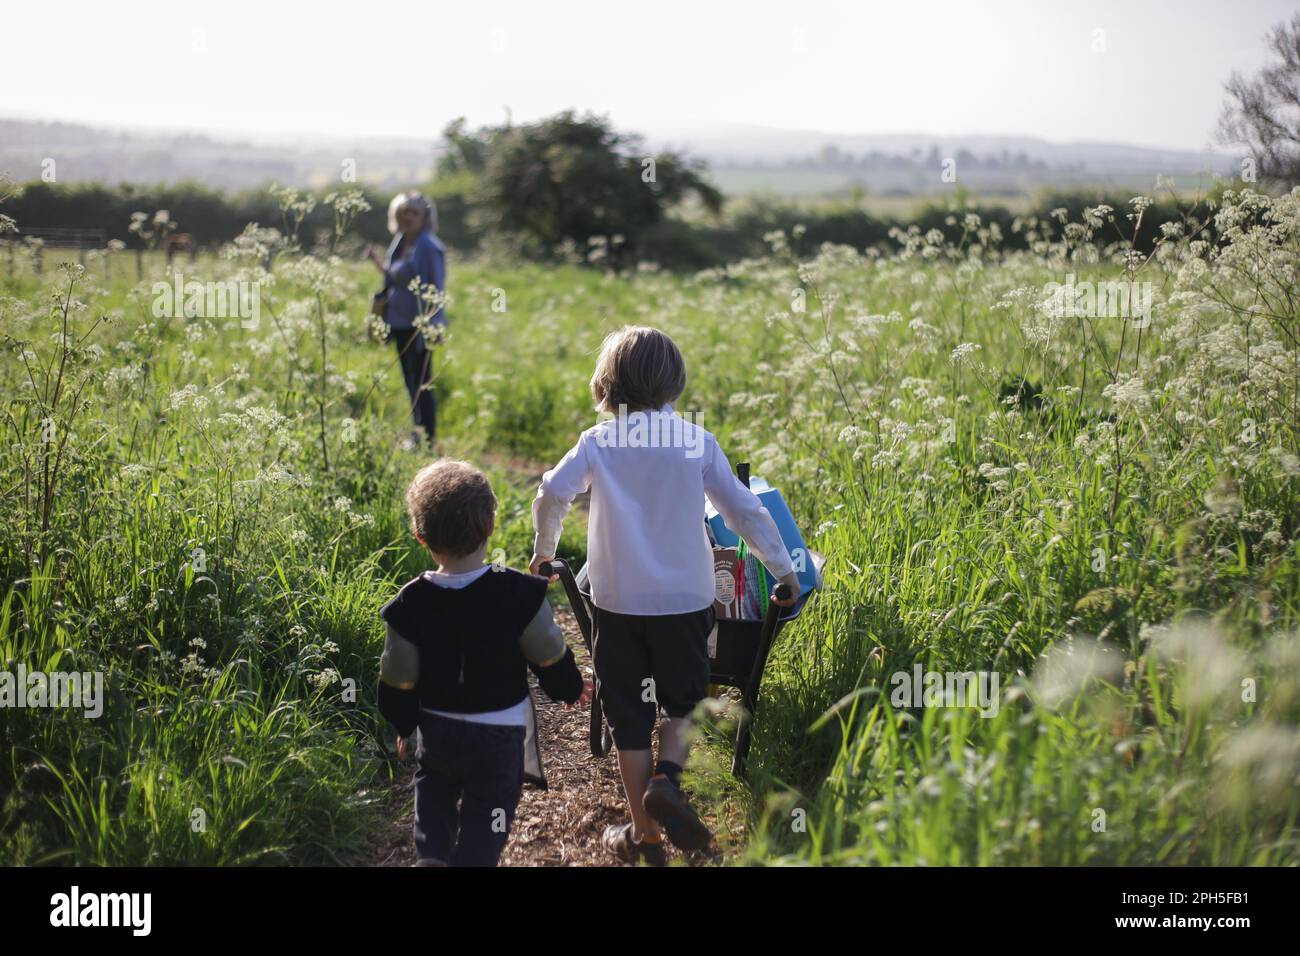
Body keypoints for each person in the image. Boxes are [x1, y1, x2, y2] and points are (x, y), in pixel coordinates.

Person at [529, 326, 800, 865]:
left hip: (617, 600)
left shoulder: (598, 442)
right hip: (685, 600)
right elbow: (742, 512)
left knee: (628, 717)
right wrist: (782, 570)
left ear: (607, 385)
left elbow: (552, 492)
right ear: (674, 382)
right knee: (684, 701)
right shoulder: (695, 442)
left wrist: (544, 549)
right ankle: (669, 778)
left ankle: (645, 835)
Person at [377, 458, 590, 866]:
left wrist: (404, 723)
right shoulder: (518, 593)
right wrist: (569, 686)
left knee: (434, 796)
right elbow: (547, 650)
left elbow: (396, 674)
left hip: (438, 730)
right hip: (500, 737)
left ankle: (432, 857)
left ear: (420, 536)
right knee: (489, 810)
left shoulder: (409, 604)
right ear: (490, 526)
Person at [366, 191, 446, 448]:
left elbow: (437, 287)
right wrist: (379, 264)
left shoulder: (430, 248)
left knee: (423, 382)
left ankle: (429, 439)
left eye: (414, 213)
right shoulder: (399, 242)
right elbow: (394, 277)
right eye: (403, 213)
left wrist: (434, 324)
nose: (407, 217)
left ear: (425, 217)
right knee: (409, 379)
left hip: (420, 324)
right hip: (398, 322)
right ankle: (418, 432)